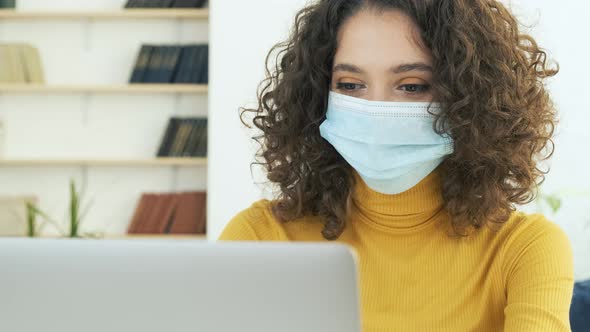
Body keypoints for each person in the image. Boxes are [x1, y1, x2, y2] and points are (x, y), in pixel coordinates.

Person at [218, 0, 574, 331]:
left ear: (468, 98)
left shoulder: (524, 249)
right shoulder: (259, 239)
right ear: (317, 96)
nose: (376, 109)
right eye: (351, 84)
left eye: (411, 86)